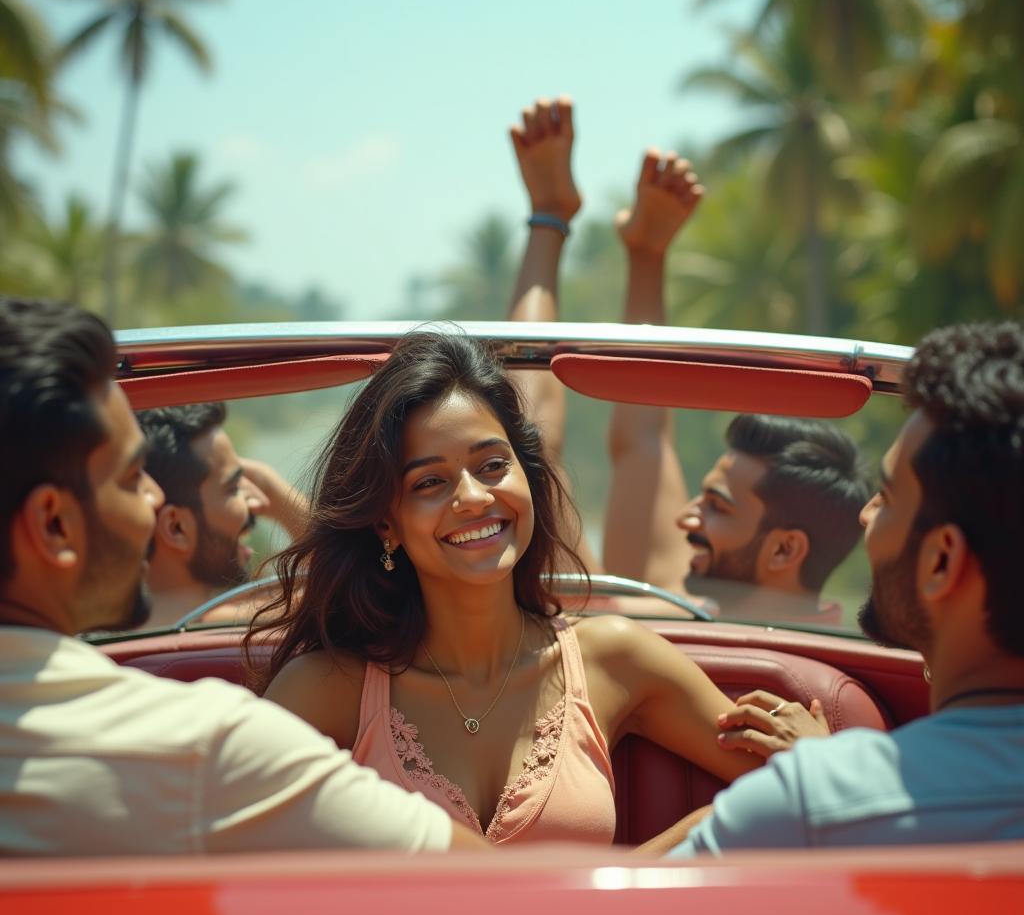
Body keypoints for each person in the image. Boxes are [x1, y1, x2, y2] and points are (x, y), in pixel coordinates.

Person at [251, 327, 805, 851]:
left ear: (527, 477)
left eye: (492, 465)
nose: (472, 498)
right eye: (429, 482)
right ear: (386, 524)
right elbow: (219, 850)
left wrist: (822, 757)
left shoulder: (614, 658)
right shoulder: (329, 688)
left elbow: (802, 789)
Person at [0, 296, 484, 856]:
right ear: (54, 525)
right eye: (134, 478)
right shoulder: (200, 750)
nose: (154, 498)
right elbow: (494, 885)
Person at [506, 97, 872, 623]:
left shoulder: (645, 627)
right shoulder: (673, 608)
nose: (686, 517)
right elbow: (642, 441)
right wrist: (648, 255)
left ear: (785, 551)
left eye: (717, 506)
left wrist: (548, 216)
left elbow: (530, 442)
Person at [670, 320, 1024, 854]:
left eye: (886, 497)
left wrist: (820, 776)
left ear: (942, 561)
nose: (865, 515)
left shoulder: (807, 803)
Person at [137, 403, 309, 627]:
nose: (259, 501)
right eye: (234, 487)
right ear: (176, 527)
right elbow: (348, 585)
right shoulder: (231, 622)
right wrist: (269, 483)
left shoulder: (96, 635)